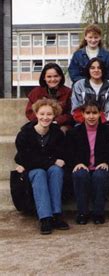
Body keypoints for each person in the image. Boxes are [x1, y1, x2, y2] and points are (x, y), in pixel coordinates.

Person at [14, 99, 69, 235]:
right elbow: (26, 160)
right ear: (36, 115)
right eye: (42, 114)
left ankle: (56, 214)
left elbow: (62, 156)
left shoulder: (57, 133)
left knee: (56, 170)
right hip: (32, 171)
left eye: (49, 114)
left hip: (49, 170)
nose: (45, 117)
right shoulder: (25, 133)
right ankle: (45, 218)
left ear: (54, 115)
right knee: (39, 173)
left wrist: (52, 162)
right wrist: (51, 161)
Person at [66, 100, 109, 225]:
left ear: (100, 114)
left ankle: (98, 213)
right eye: (88, 113)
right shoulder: (73, 133)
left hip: (100, 167)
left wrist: (107, 163)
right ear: (82, 114)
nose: (91, 116)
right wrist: (77, 163)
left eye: (94, 113)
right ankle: (82, 212)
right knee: (80, 174)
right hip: (83, 167)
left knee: (100, 175)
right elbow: (68, 153)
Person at [25, 63, 73, 132]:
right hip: (40, 123)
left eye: (56, 76)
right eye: (49, 77)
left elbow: (71, 113)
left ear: (61, 77)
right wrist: (44, 120)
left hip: (60, 125)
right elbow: (30, 112)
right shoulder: (36, 92)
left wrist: (56, 121)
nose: (53, 79)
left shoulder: (68, 92)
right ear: (44, 78)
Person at [71, 58, 109, 123]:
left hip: (104, 123)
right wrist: (87, 123)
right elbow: (76, 109)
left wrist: (99, 123)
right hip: (82, 122)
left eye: (99, 68)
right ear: (88, 70)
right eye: (92, 68)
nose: (96, 70)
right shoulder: (79, 85)